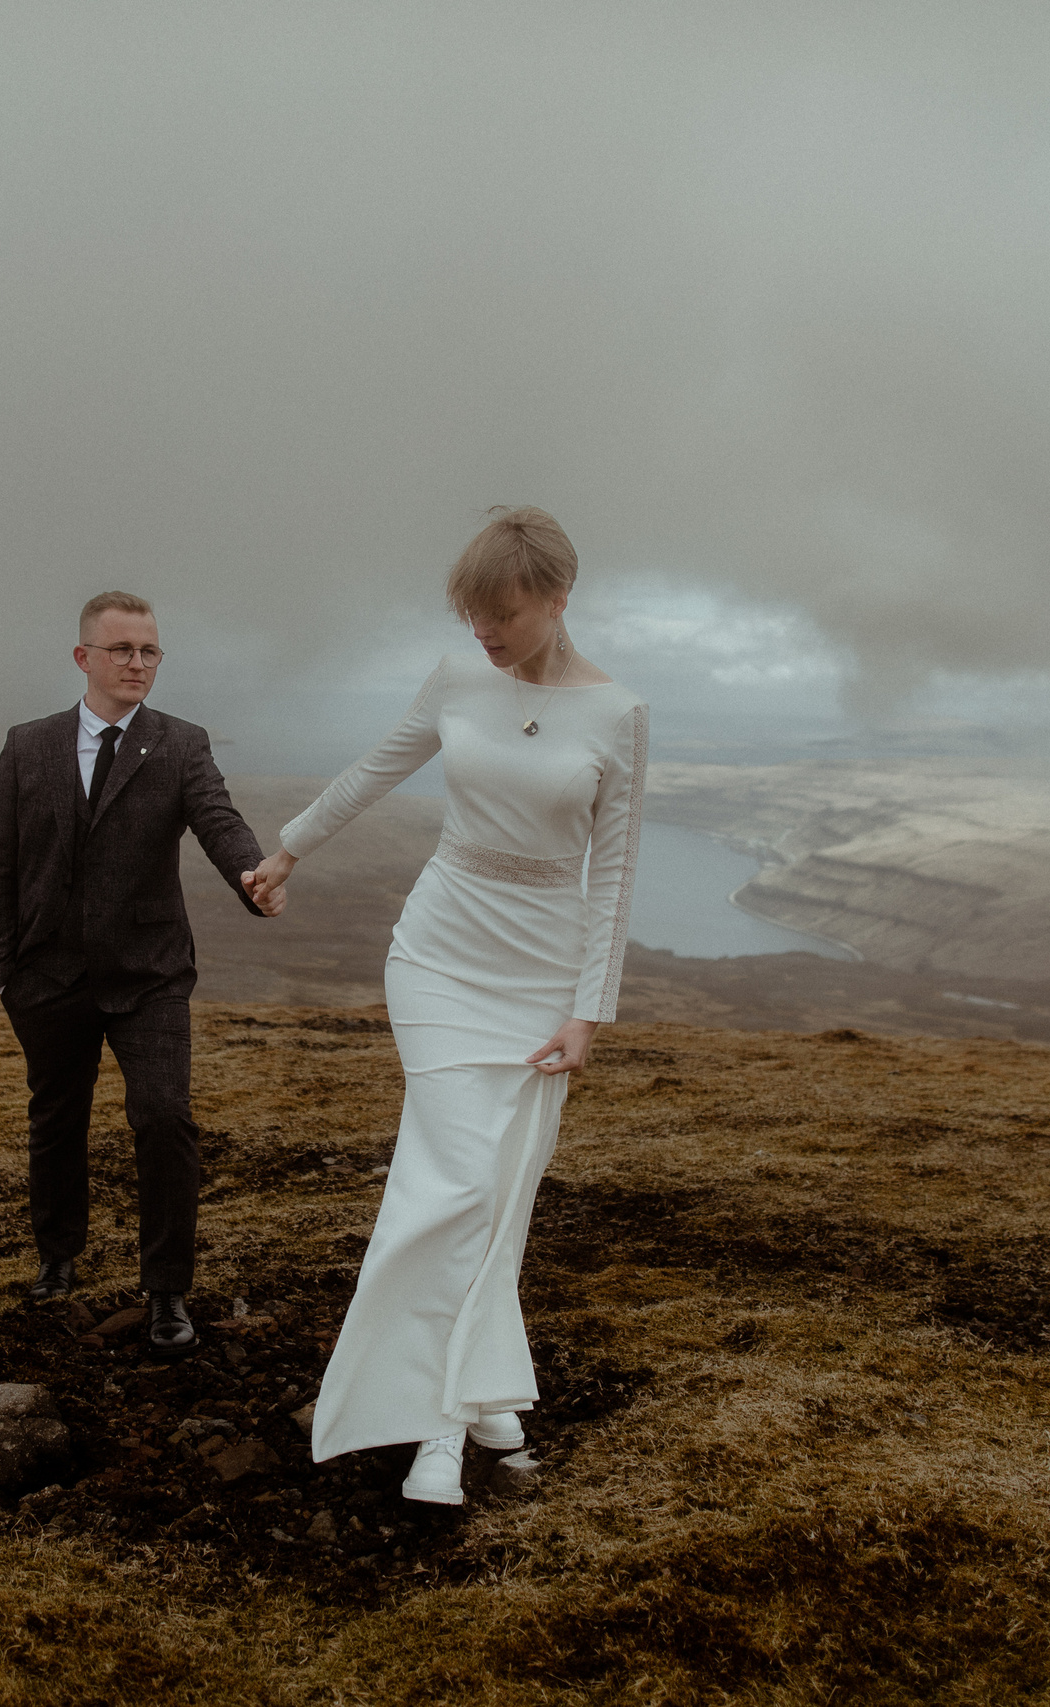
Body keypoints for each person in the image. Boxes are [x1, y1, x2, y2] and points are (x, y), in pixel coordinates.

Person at [244, 507, 646, 1504]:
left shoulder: (619, 716)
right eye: (473, 616)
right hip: (438, 958)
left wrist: (587, 1014)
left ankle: (478, 1399)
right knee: (454, 1183)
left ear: (557, 599)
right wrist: (289, 846)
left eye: (502, 614)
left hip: (541, 982)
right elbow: (377, 767)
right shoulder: (459, 678)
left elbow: (613, 879)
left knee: (499, 1194)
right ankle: (431, 1427)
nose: (486, 635)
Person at [0, 591, 286, 1359]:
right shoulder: (28, 745)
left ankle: (167, 1289)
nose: (137, 663)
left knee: (163, 1118)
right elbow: (1, 862)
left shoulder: (181, 744)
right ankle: (58, 1255)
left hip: (149, 975)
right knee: (56, 1121)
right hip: (47, 976)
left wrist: (252, 874)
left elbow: (218, 819)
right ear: (84, 657)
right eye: (121, 650)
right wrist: (1, 969)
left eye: (149, 650)